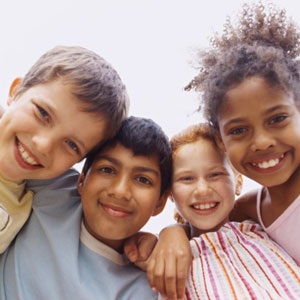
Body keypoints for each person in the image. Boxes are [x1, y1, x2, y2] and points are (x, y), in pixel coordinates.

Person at [0, 116, 172, 300]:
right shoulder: (55, 188)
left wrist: (177, 232)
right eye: (107, 169)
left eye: (143, 180)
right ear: (81, 180)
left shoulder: (148, 289)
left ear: (160, 202)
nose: (120, 191)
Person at [185, 1, 300, 265]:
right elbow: (201, 229)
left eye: (278, 118)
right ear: (220, 141)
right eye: (238, 130)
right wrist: (171, 236)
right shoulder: (249, 209)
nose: (261, 142)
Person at [0, 45, 129, 253]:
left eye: (71, 145)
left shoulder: (36, 197)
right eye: (43, 113)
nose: (44, 145)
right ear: (15, 92)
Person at [168, 123, 300, 299]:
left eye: (215, 174)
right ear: (169, 193)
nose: (202, 190)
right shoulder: (171, 260)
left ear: (238, 182)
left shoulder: (262, 228)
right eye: (187, 178)